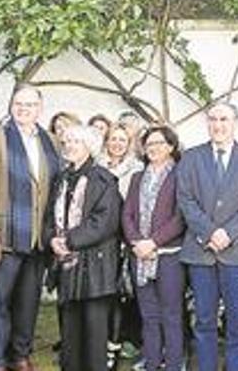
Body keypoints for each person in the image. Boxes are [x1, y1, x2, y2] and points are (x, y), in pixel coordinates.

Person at [0, 84, 60, 371]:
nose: (23, 109)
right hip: (6, 236)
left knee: (28, 302)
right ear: (11, 106)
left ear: (40, 108)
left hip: (38, 238)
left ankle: (20, 354)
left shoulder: (49, 140)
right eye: (18, 104)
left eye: (30, 105)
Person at [177, 102, 238, 371]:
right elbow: (185, 199)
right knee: (204, 320)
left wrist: (228, 233)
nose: (218, 125)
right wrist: (209, 232)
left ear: (235, 123)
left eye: (224, 119)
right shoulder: (191, 157)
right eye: (213, 119)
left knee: (237, 321)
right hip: (200, 251)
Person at [43, 125, 123, 371]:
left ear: (89, 147)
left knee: (94, 333)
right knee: (70, 332)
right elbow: (48, 218)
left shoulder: (103, 178)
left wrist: (68, 241)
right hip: (67, 267)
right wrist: (51, 240)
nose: (69, 145)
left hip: (95, 268)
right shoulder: (61, 179)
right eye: (66, 141)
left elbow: (104, 221)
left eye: (76, 141)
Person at [122, 125, 185, 371]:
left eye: (159, 143)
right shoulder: (138, 177)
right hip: (140, 256)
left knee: (171, 315)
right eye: (149, 144)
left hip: (168, 257)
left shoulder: (181, 175)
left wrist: (153, 242)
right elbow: (127, 214)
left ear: (171, 147)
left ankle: (173, 364)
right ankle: (151, 362)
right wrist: (137, 241)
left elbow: (180, 218)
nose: (153, 148)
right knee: (148, 315)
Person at [98, 121, 144, 367]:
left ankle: (115, 345)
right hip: (98, 241)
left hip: (123, 239)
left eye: (122, 140)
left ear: (128, 145)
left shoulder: (136, 170)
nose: (116, 144)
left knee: (119, 294)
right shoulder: (96, 166)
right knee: (101, 295)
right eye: (113, 139)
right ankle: (99, 342)